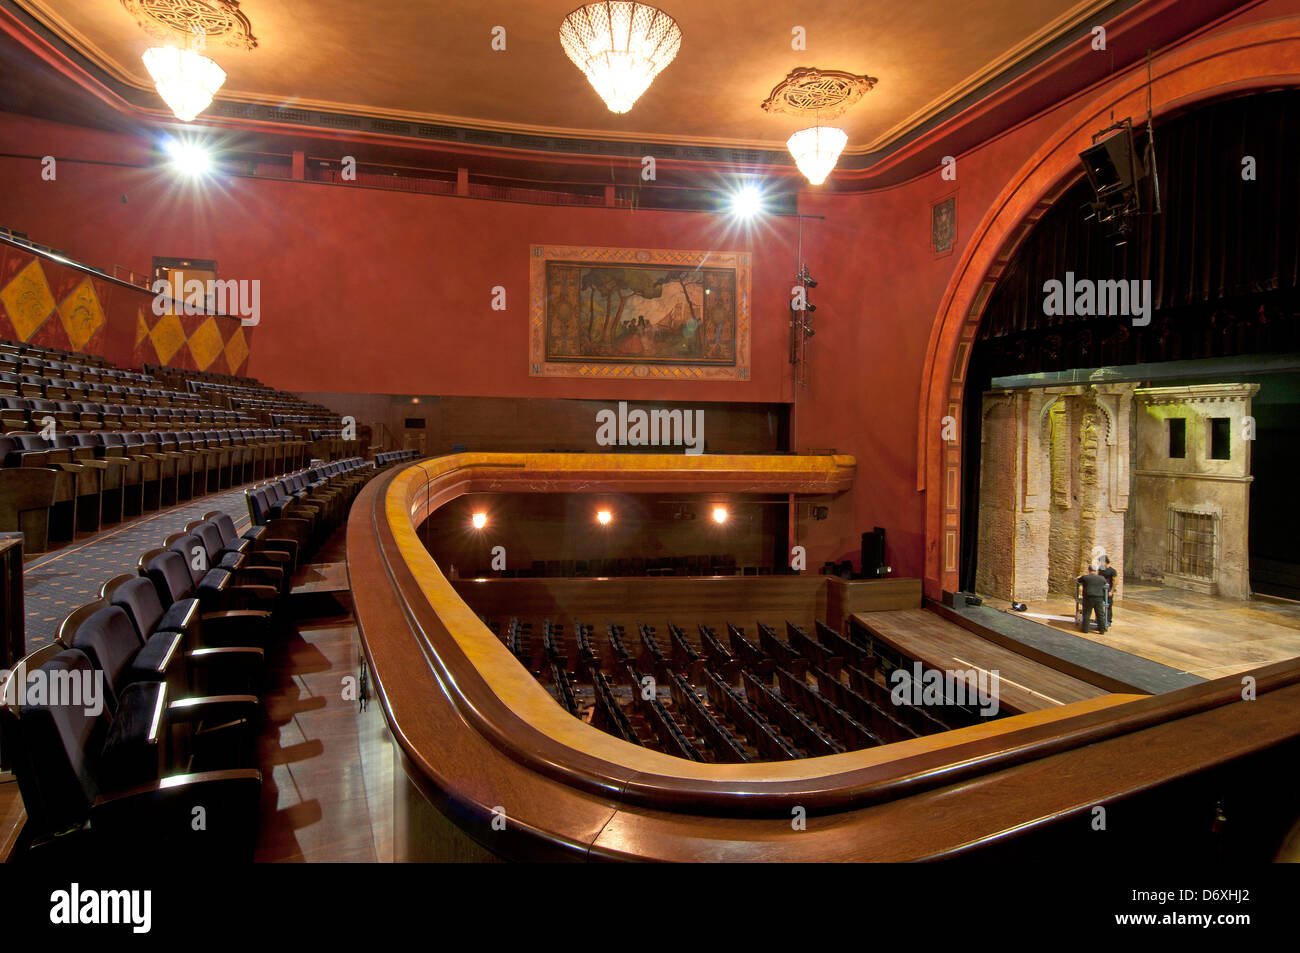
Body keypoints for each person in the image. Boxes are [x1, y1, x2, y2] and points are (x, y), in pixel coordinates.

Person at [1076, 564, 1109, 635]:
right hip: (1099, 598)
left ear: (1089, 570)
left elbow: (1078, 580)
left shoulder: (1085, 577)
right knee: (1100, 614)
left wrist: (1080, 577)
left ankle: (1085, 629)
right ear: (1096, 571)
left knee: (1087, 614)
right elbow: (1105, 583)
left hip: (1088, 598)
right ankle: (1102, 630)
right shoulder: (1102, 578)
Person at [1097, 554, 1118, 625]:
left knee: (1108, 605)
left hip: (1108, 591)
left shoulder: (1112, 571)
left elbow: (1115, 581)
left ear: (1106, 562)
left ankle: (1108, 620)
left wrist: (1111, 591)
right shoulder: (1100, 570)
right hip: (1101, 590)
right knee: (1099, 605)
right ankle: (1100, 619)